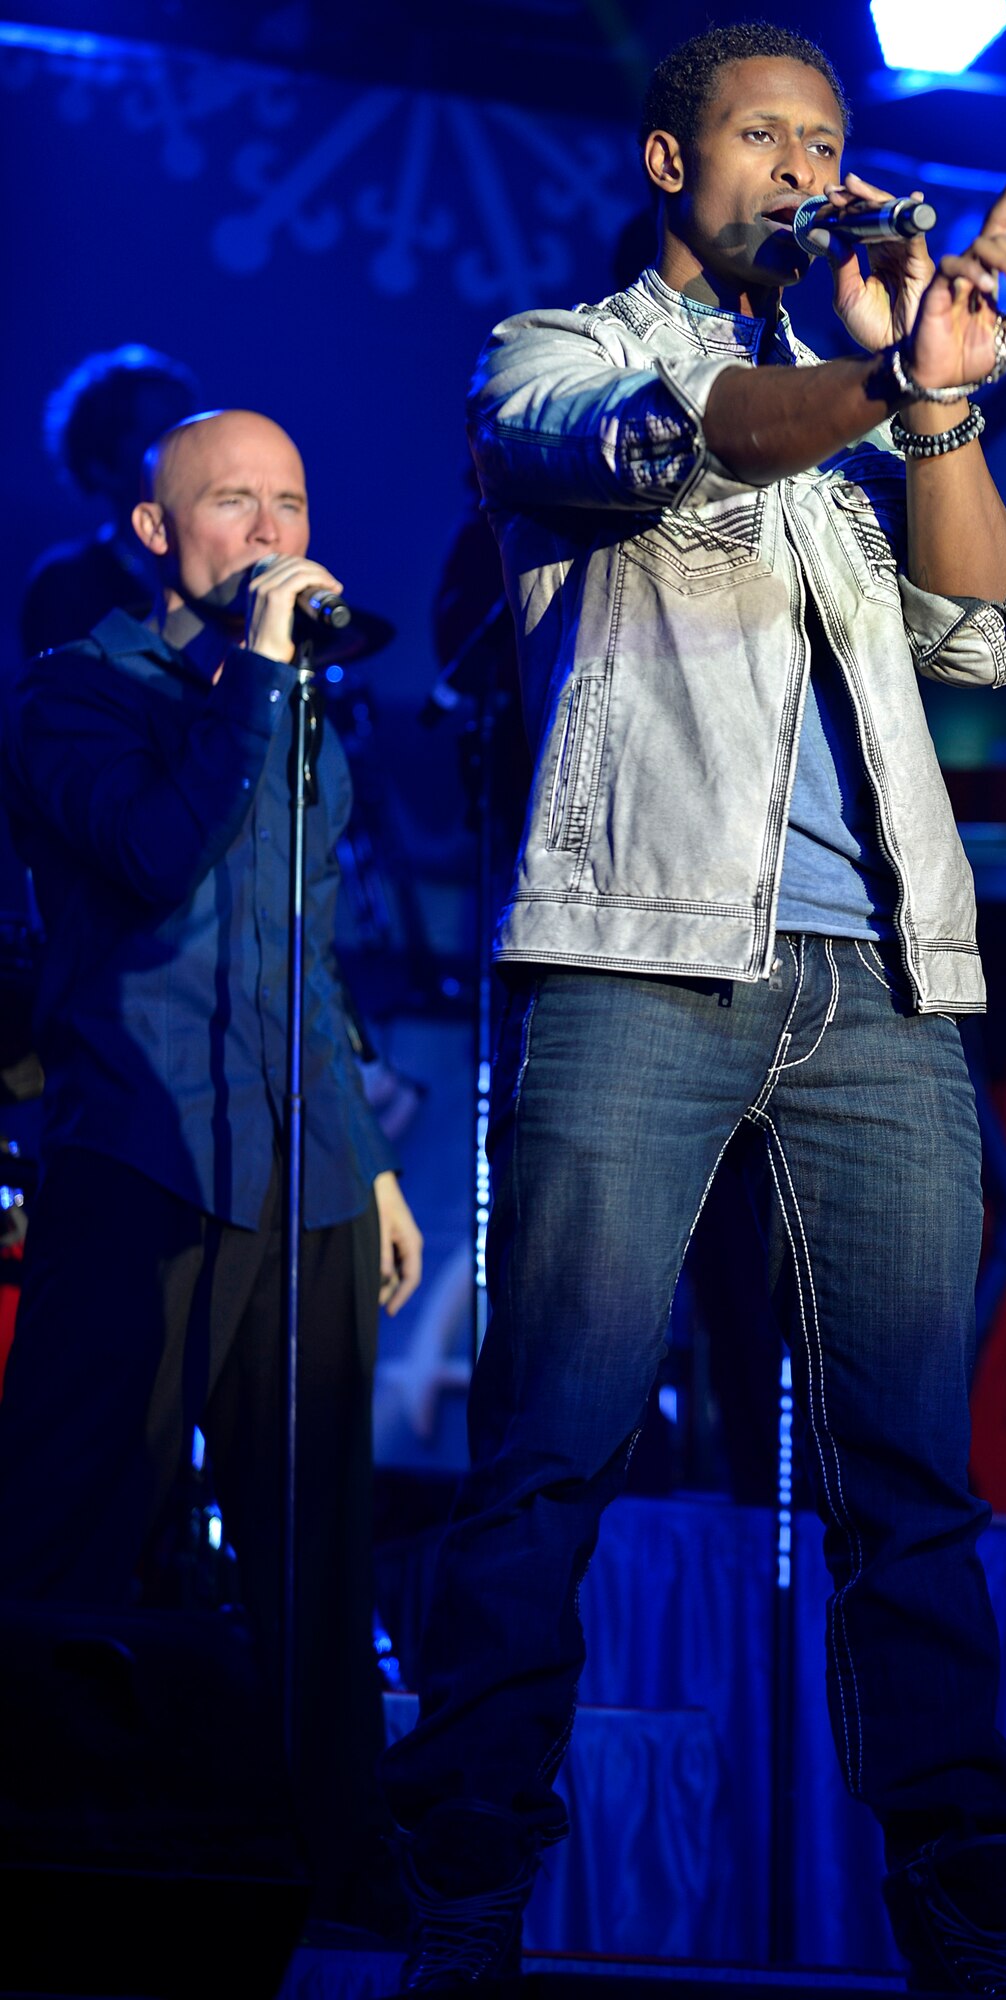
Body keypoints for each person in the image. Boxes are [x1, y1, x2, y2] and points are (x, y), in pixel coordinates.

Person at [381, 21, 1006, 1993]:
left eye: (825, 137)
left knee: (910, 1482)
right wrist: (867, 382)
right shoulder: (555, 350)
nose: (799, 162)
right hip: (627, 957)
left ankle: (965, 1925)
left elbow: (980, 630)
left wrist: (933, 404)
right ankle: (457, 1906)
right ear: (671, 164)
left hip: (877, 985)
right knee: (554, 1446)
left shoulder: (861, 411)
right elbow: (662, 444)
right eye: (761, 134)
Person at [0, 407, 423, 1914]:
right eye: (232, 502)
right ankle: (50, 1848)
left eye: (290, 501)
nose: (269, 529)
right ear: (154, 534)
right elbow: (159, 857)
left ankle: (338, 1862)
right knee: (76, 1528)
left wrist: (366, 1159)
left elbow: (305, 952)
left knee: (316, 1547)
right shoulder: (77, 696)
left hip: (297, 1172)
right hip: (140, 1162)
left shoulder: (299, 708)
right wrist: (252, 675)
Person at [20, 344, 202, 658]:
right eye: (162, 435)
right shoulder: (66, 585)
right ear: (103, 467)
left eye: (195, 430)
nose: (192, 450)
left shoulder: (231, 566)